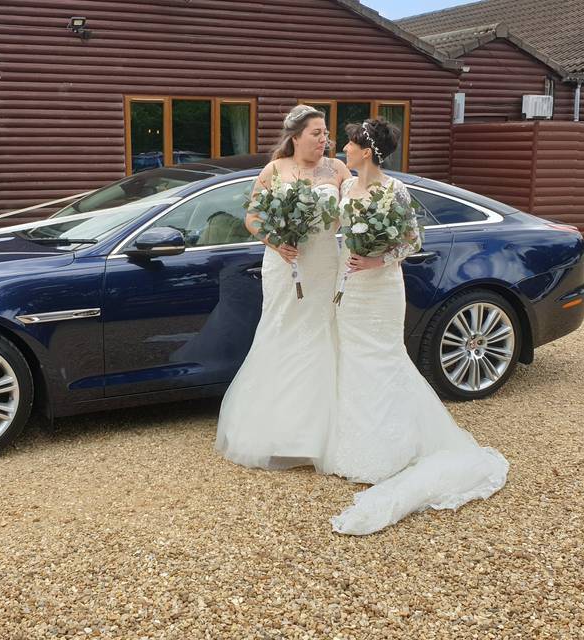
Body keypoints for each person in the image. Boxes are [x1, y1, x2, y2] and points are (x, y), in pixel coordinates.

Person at [326, 118, 509, 535]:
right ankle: (356, 446)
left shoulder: (395, 191)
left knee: (384, 359)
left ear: (366, 151)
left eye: (350, 144)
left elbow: (411, 240)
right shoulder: (346, 187)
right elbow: (337, 229)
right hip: (348, 285)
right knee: (352, 359)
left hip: (380, 285)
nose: (344, 148)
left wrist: (377, 259)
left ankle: (392, 449)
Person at [215, 104, 350, 470]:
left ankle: (318, 434)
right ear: (295, 137)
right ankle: (275, 432)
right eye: (316, 133)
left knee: (321, 334)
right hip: (284, 262)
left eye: (326, 134)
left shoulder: (337, 169)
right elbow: (253, 217)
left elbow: (349, 213)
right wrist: (277, 240)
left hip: (323, 262)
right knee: (282, 331)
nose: (324, 140)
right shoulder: (275, 169)